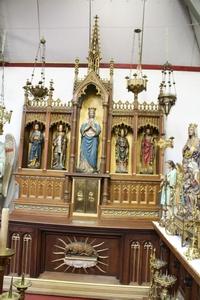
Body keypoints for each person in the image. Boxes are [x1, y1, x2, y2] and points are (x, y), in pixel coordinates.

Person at [182, 124, 200, 213]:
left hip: (193, 163)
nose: (190, 131)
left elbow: (196, 152)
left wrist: (190, 150)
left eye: (191, 130)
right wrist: (185, 149)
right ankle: (187, 209)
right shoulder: (188, 140)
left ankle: (193, 210)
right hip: (187, 163)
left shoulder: (197, 140)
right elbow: (185, 152)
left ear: (194, 131)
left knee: (193, 183)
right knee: (185, 186)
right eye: (189, 129)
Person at [79, 107, 101, 173]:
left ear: (94, 114)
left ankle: (92, 168)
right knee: (84, 153)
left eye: (93, 113)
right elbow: (82, 131)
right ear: (88, 113)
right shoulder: (85, 122)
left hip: (93, 140)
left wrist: (93, 127)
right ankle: (84, 168)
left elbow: (98, 131)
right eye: (90, 112)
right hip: (85, 140)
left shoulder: (96, 122)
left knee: (93, 154)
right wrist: (87, 127)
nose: (92, 114)